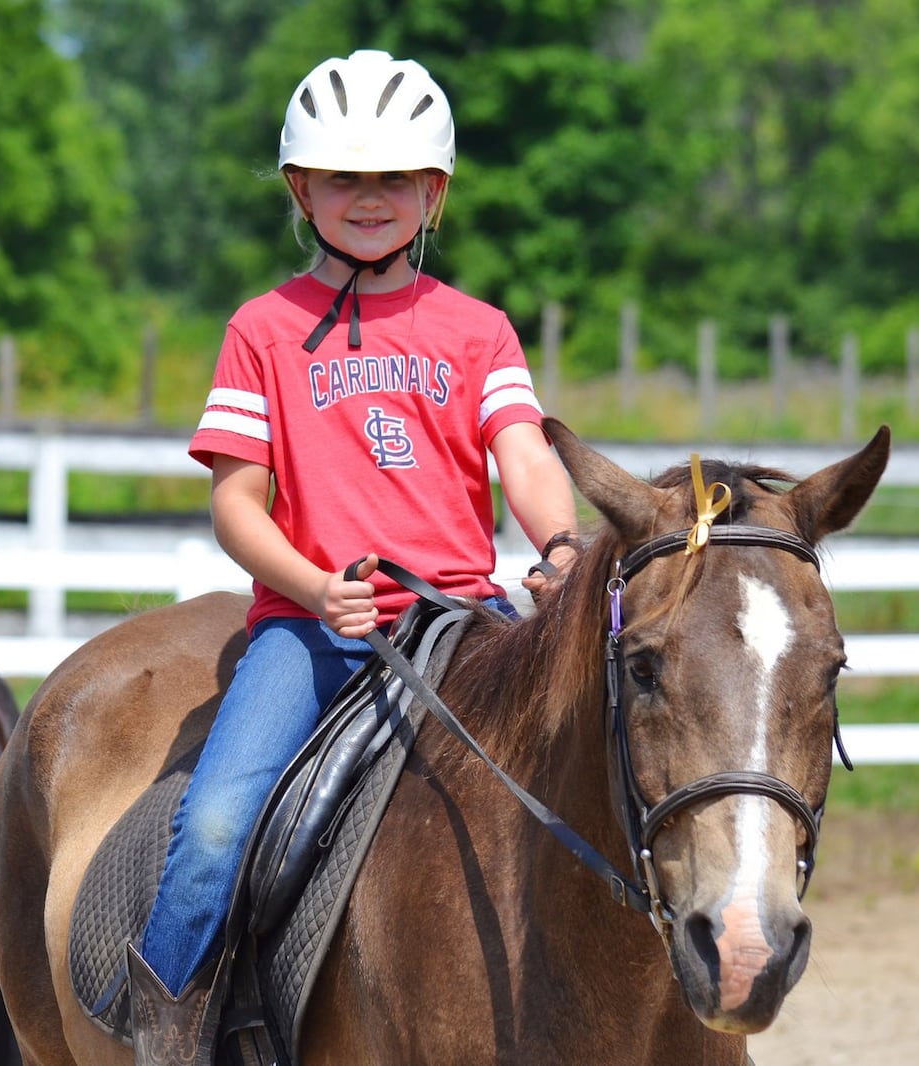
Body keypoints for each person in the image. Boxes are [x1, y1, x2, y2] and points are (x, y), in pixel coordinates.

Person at [125, 50, 581, 1064]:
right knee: (212, 827)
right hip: (313, 627)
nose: (369, 199)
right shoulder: (262, 329)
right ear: (301, 189)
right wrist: (313, 587)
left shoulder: (477, 330)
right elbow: (237, 503)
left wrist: (556, 546)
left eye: (392, 179)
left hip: (460, 623)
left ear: (434, 190)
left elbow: (523, 454)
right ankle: (166, 1029)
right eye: (343, 177)